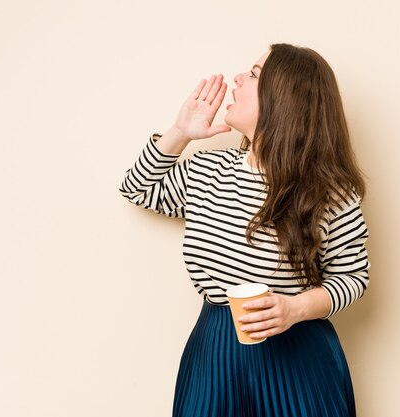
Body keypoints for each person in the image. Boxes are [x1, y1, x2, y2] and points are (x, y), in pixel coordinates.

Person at [119, 43, 370, 417]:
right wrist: (180, 131)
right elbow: (137, 188)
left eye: (253, 74)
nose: (238, 77)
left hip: (297, 358)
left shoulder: (330, 193)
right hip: (215, 353)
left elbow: (353, 277)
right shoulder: (208, 171)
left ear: (282, 98)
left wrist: (295, 308)